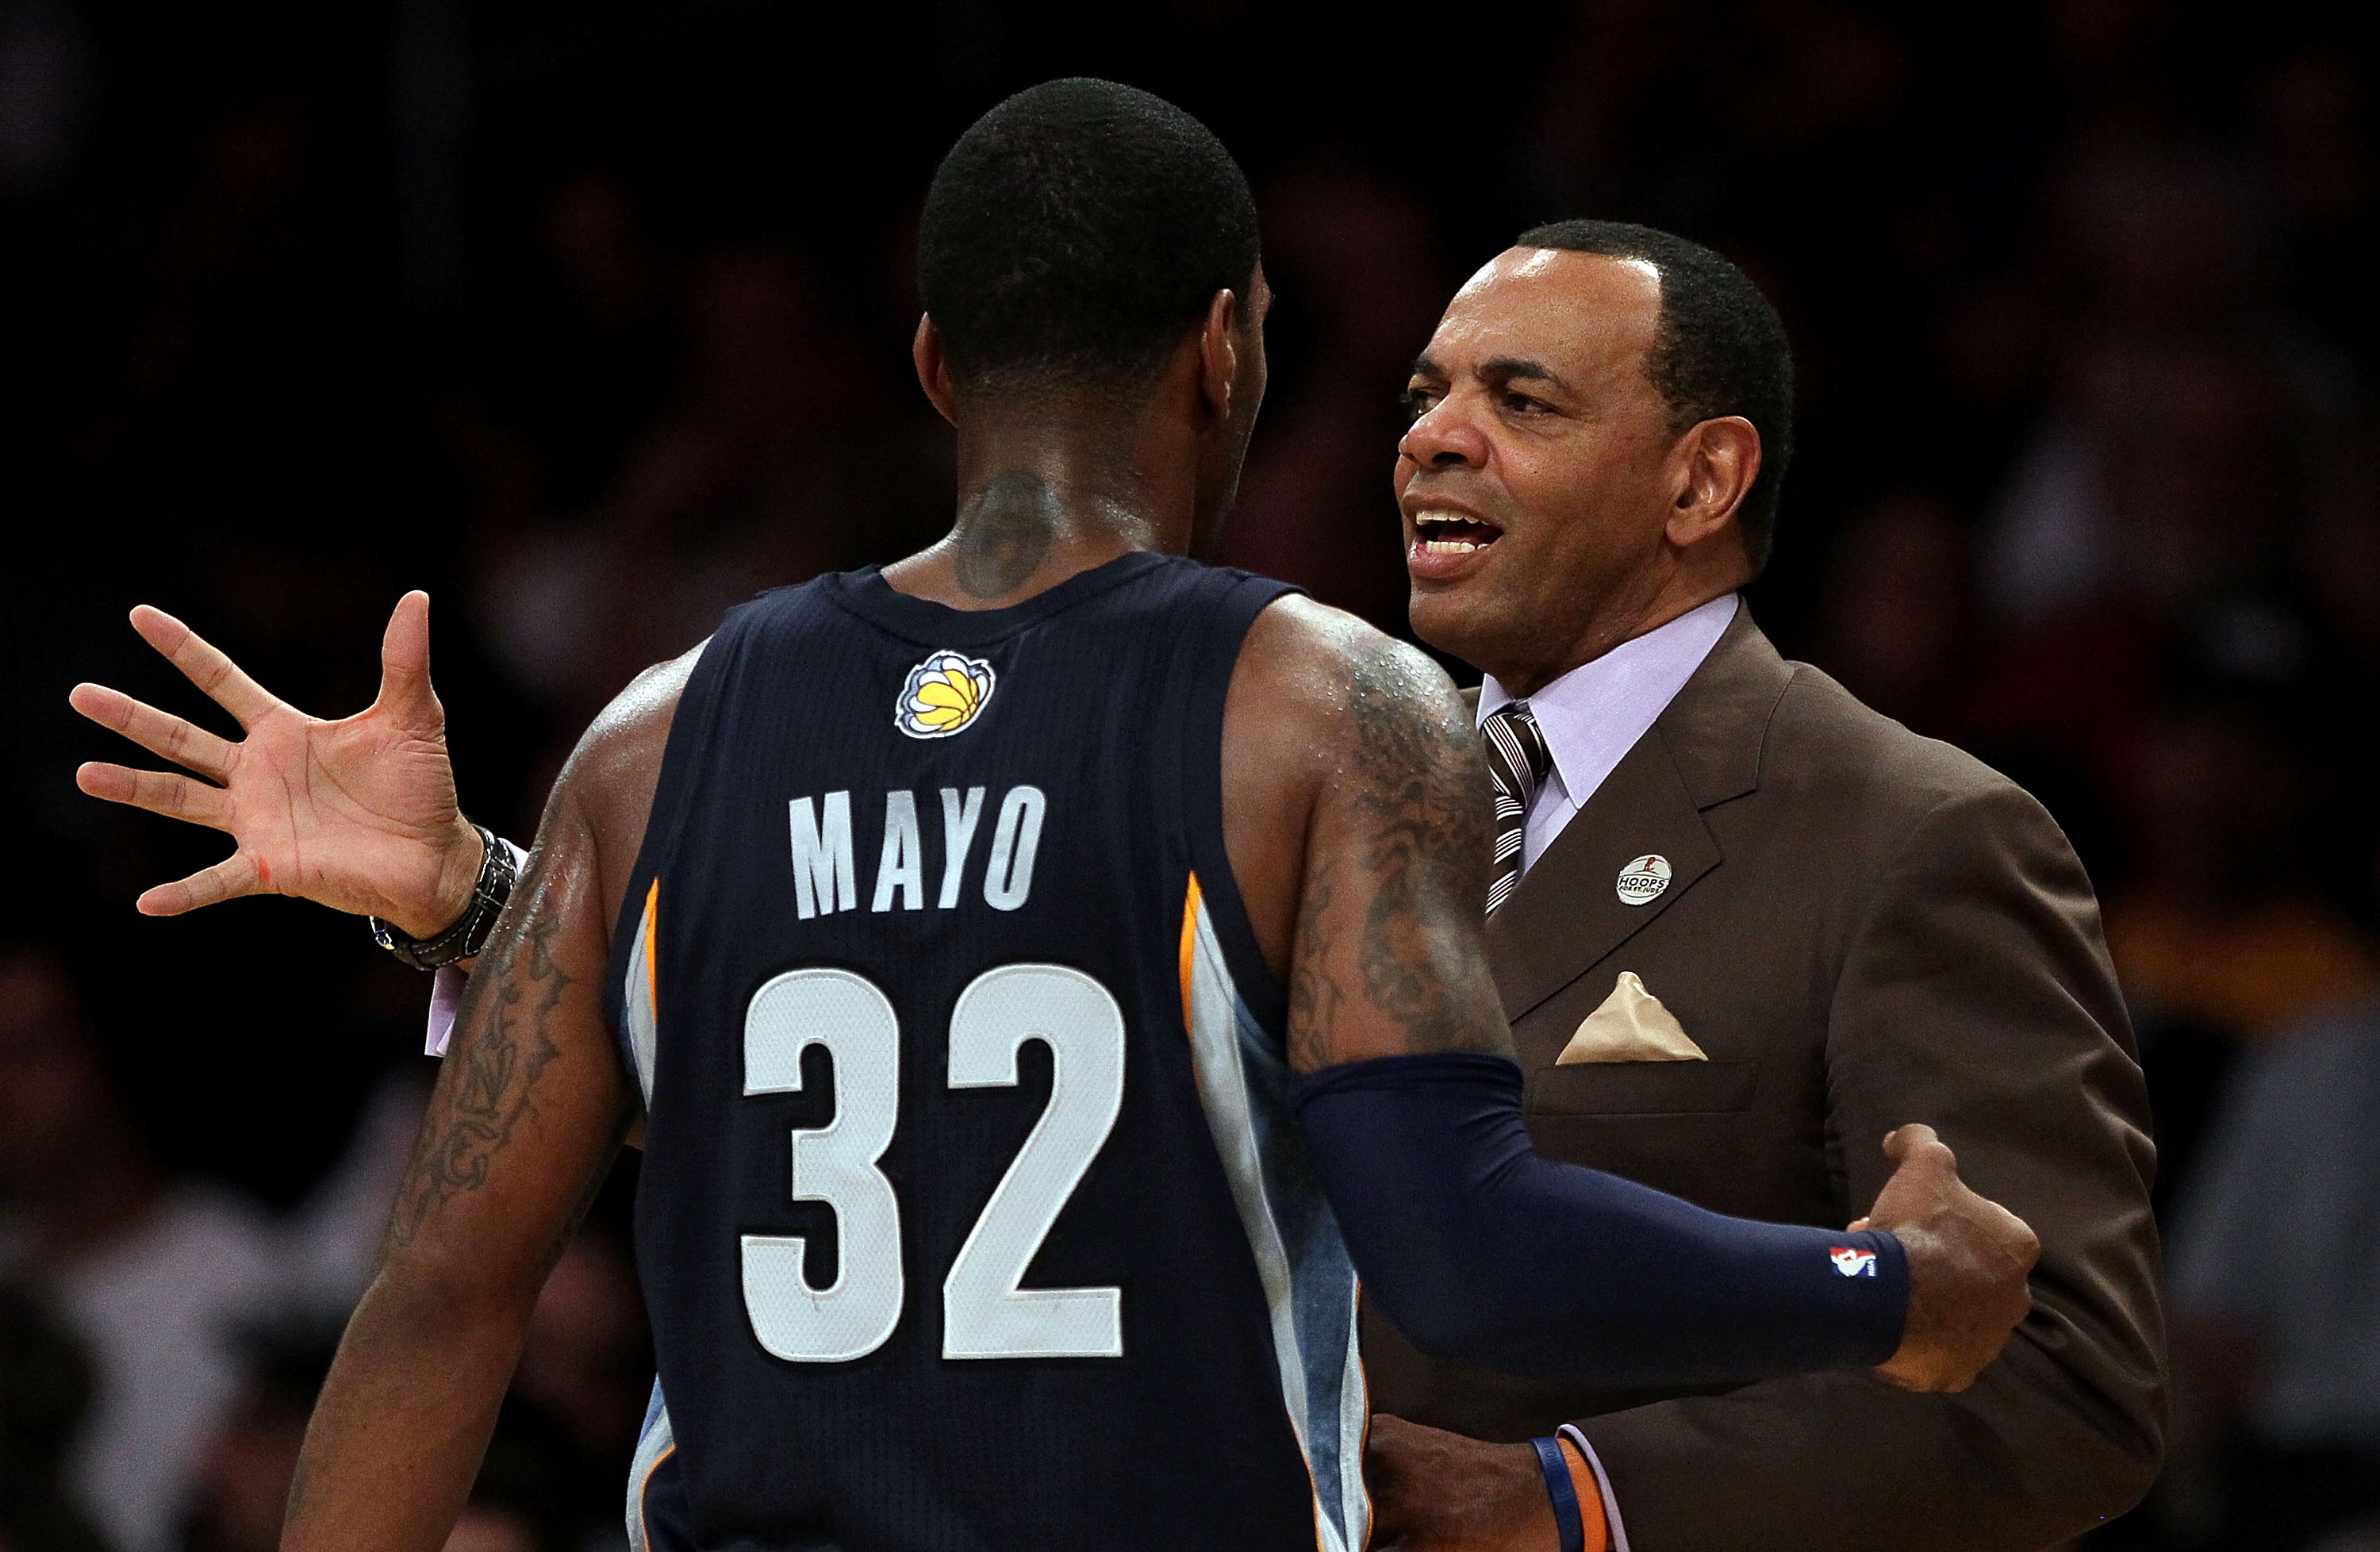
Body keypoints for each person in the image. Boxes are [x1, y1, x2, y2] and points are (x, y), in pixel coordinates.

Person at [71, 83, 2037, 1552]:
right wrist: (1884, 1289)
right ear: (1227, 347)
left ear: (936, 365)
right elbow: (1467, 1257)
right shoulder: (1328, 706)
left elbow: (441, 1297)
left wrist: (473, 907)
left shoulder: (653, 740)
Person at [1360, 225, 2164, 1550]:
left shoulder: (1915, 836)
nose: (1433, 438)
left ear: (1702, 482)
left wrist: (1569, 1501)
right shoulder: (1340, 795)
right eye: (1425, 395)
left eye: (1518, 400)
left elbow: (2064, 1382)